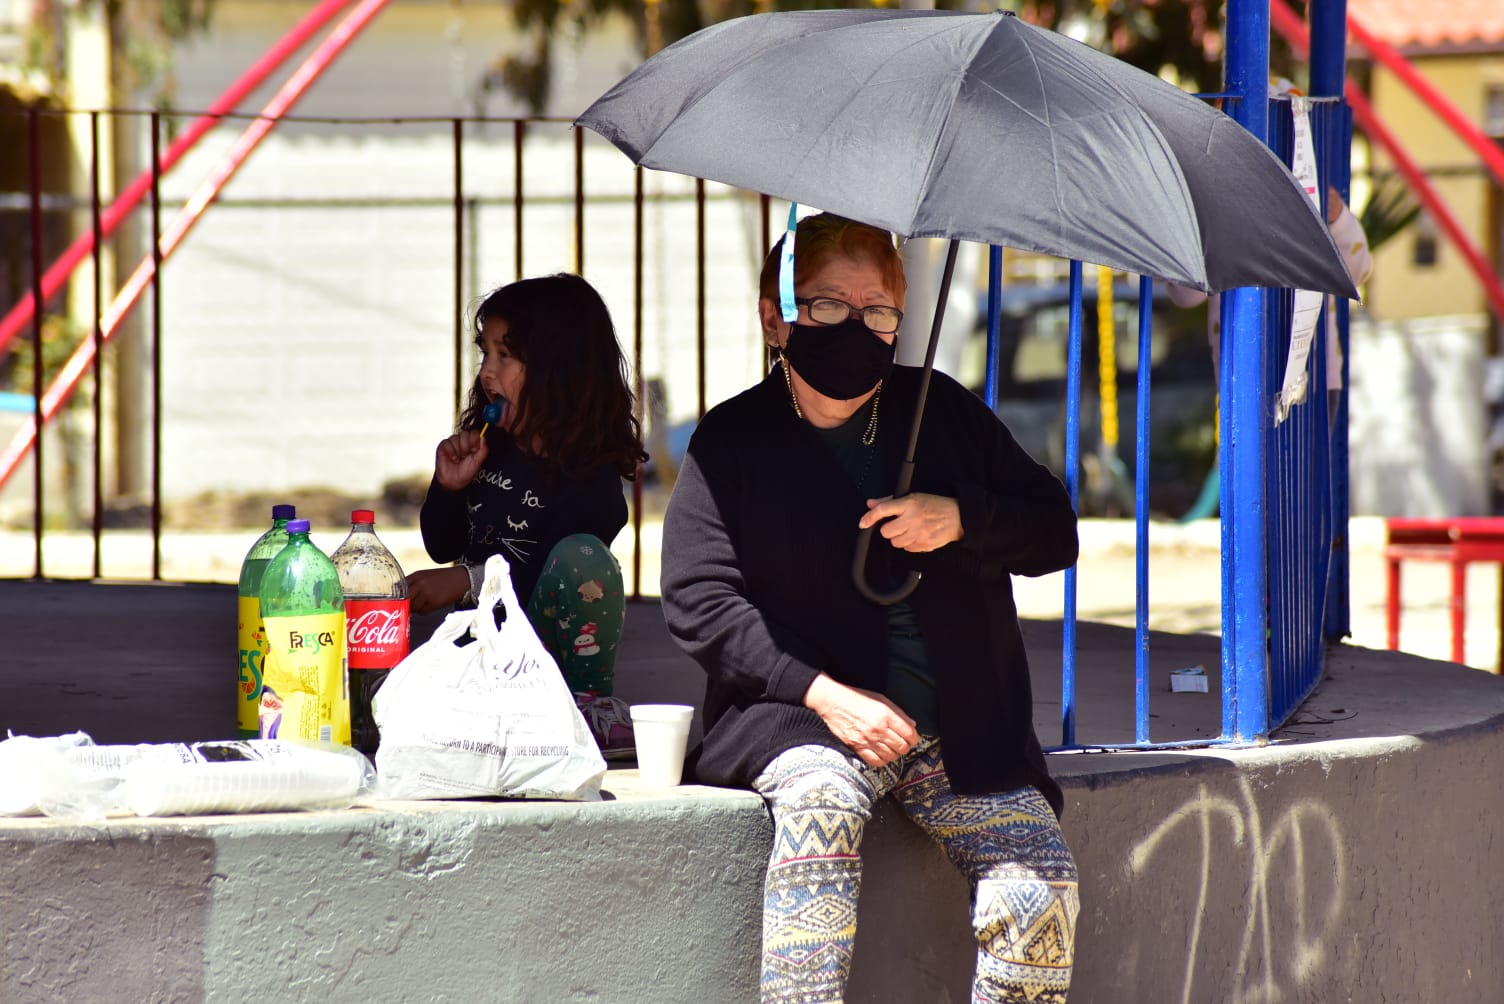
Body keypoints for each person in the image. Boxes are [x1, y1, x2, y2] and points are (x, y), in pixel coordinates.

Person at [660, 213, 1080, 1003]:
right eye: (828, 306)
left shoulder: (941, 413)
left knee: (1038, 888)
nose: (857, 326)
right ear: (776, 317)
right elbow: (698, 600)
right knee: (821, 811)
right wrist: (825, 694)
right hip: (804, 719)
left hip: (959, 733)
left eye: (878, 310)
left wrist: (962, 519)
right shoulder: (733, 440)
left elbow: (1053, 529)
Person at [407, 273, 648, 758]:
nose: (485, 373)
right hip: (480, 654)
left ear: (560, 371)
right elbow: (441, 541)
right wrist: (449, 487)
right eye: (484, 353)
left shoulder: (590, 476)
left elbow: (542, 565)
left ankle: (586, 708)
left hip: (545, 656)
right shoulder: (488, 448)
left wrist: (463, 582)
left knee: (584, 558)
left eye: (505, 356)